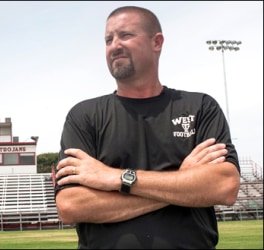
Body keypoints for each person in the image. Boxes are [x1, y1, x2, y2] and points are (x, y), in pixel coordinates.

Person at [53, 6, 240, 249]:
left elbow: (224, 187)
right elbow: (71, 205)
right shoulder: (84, 116)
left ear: (157, 42)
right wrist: (183, 182)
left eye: (125, 35)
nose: (114, 45)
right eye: (108, 39)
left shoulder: (200, 107)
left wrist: (114, 177)